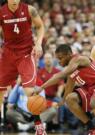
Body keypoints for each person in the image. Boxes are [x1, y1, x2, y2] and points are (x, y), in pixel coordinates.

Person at [37, 44, 95, 135]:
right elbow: (68, 87)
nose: (59, 62)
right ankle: (93, 127)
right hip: (89, 90)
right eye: (58, 59)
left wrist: (41, 87)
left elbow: (60, 75)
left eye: (61, 58)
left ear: (69, 54)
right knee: (70, 98)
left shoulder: (79, 59)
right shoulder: (70, 69)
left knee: (94, 102)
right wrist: (63, 101)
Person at [0, 0, 45, 134]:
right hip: (8, 54)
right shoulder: (1, 12)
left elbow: (40, 26)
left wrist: (38, 43)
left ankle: (39, 126)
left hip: (25, 54)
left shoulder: (29, 10)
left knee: (29, 91)